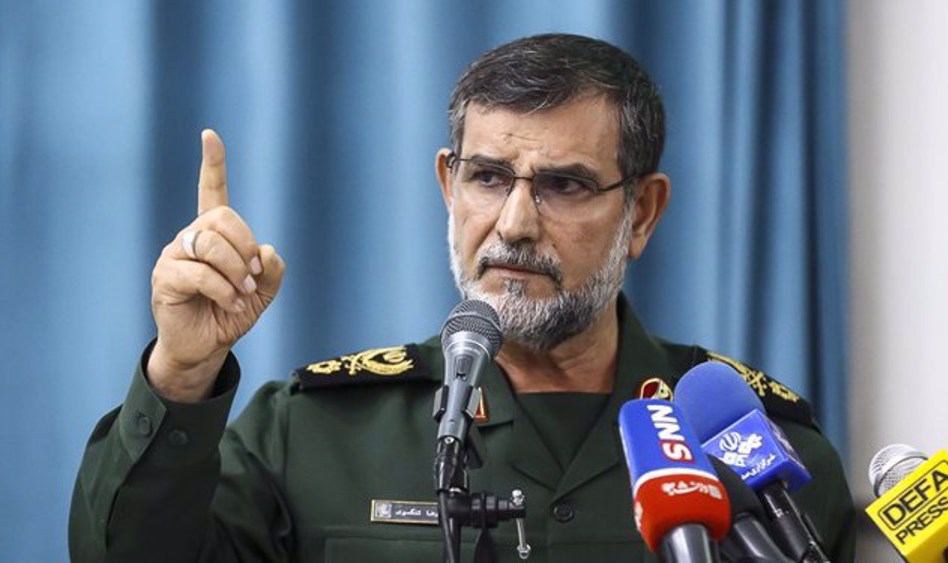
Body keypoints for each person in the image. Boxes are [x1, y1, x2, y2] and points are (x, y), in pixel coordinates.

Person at [69, 33, 856, 562]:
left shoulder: (757, 455)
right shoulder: (313, 432)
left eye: (564, 185)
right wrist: (181, 373)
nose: (514, 223)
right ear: (450, 185)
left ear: (642, 212)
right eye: (488, 177)